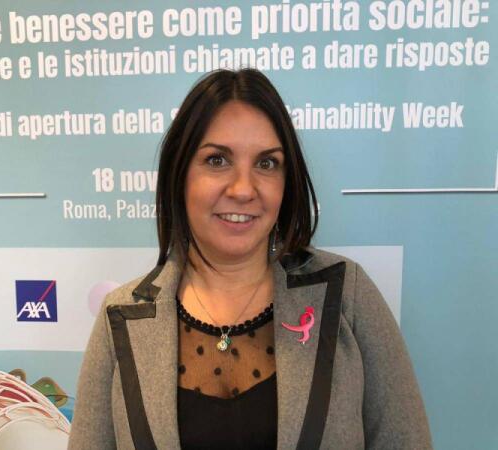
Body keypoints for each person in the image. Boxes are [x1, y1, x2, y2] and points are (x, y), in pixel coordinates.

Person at [67, 68, 433, 449]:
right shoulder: (120, 319)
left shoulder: (347, 296)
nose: (243, 189)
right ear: (180, 174)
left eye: (266, 163)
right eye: (217, 160)